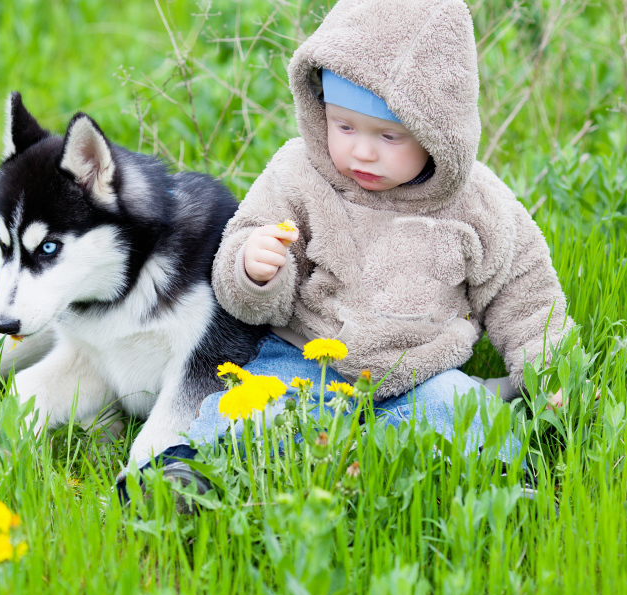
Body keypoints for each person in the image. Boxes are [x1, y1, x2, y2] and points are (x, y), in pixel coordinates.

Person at [124, 0, 571, 504]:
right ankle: (193, 479)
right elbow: (240, 258)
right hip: (301, 361)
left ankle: (503, 481)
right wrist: (253, 269)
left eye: (388, 135)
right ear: (321, 111)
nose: (361, 151)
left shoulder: (478, 205)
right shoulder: (297, 174)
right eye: (344, 126)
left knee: (457, 406)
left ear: (438, 133)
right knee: (250, 411)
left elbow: (526, 296)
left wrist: (550, 372)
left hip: (417, 374)